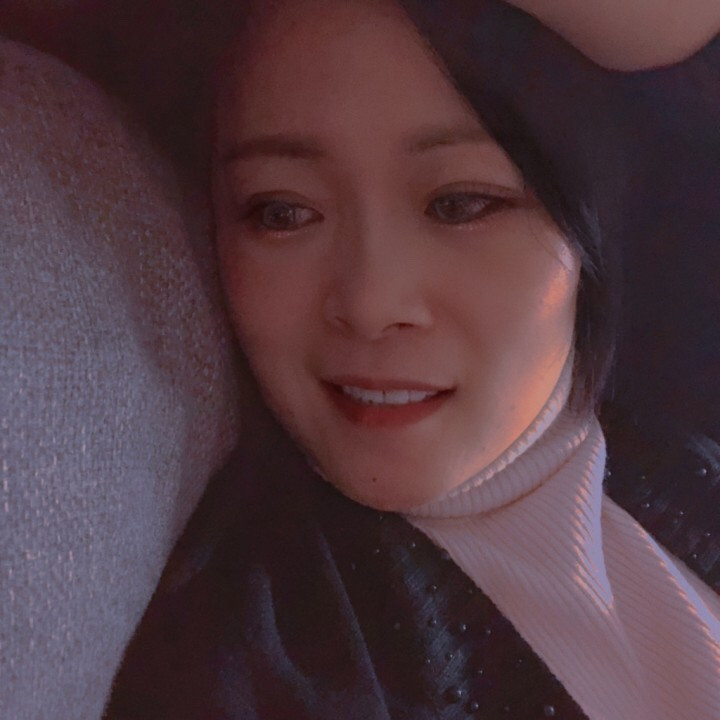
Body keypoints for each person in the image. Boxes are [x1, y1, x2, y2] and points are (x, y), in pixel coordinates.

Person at [105, 1, 720, 718]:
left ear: (587, 222)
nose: (369, 302)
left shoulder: (682, 437)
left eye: (459, 204)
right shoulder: (263, 660)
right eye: (283, 212)